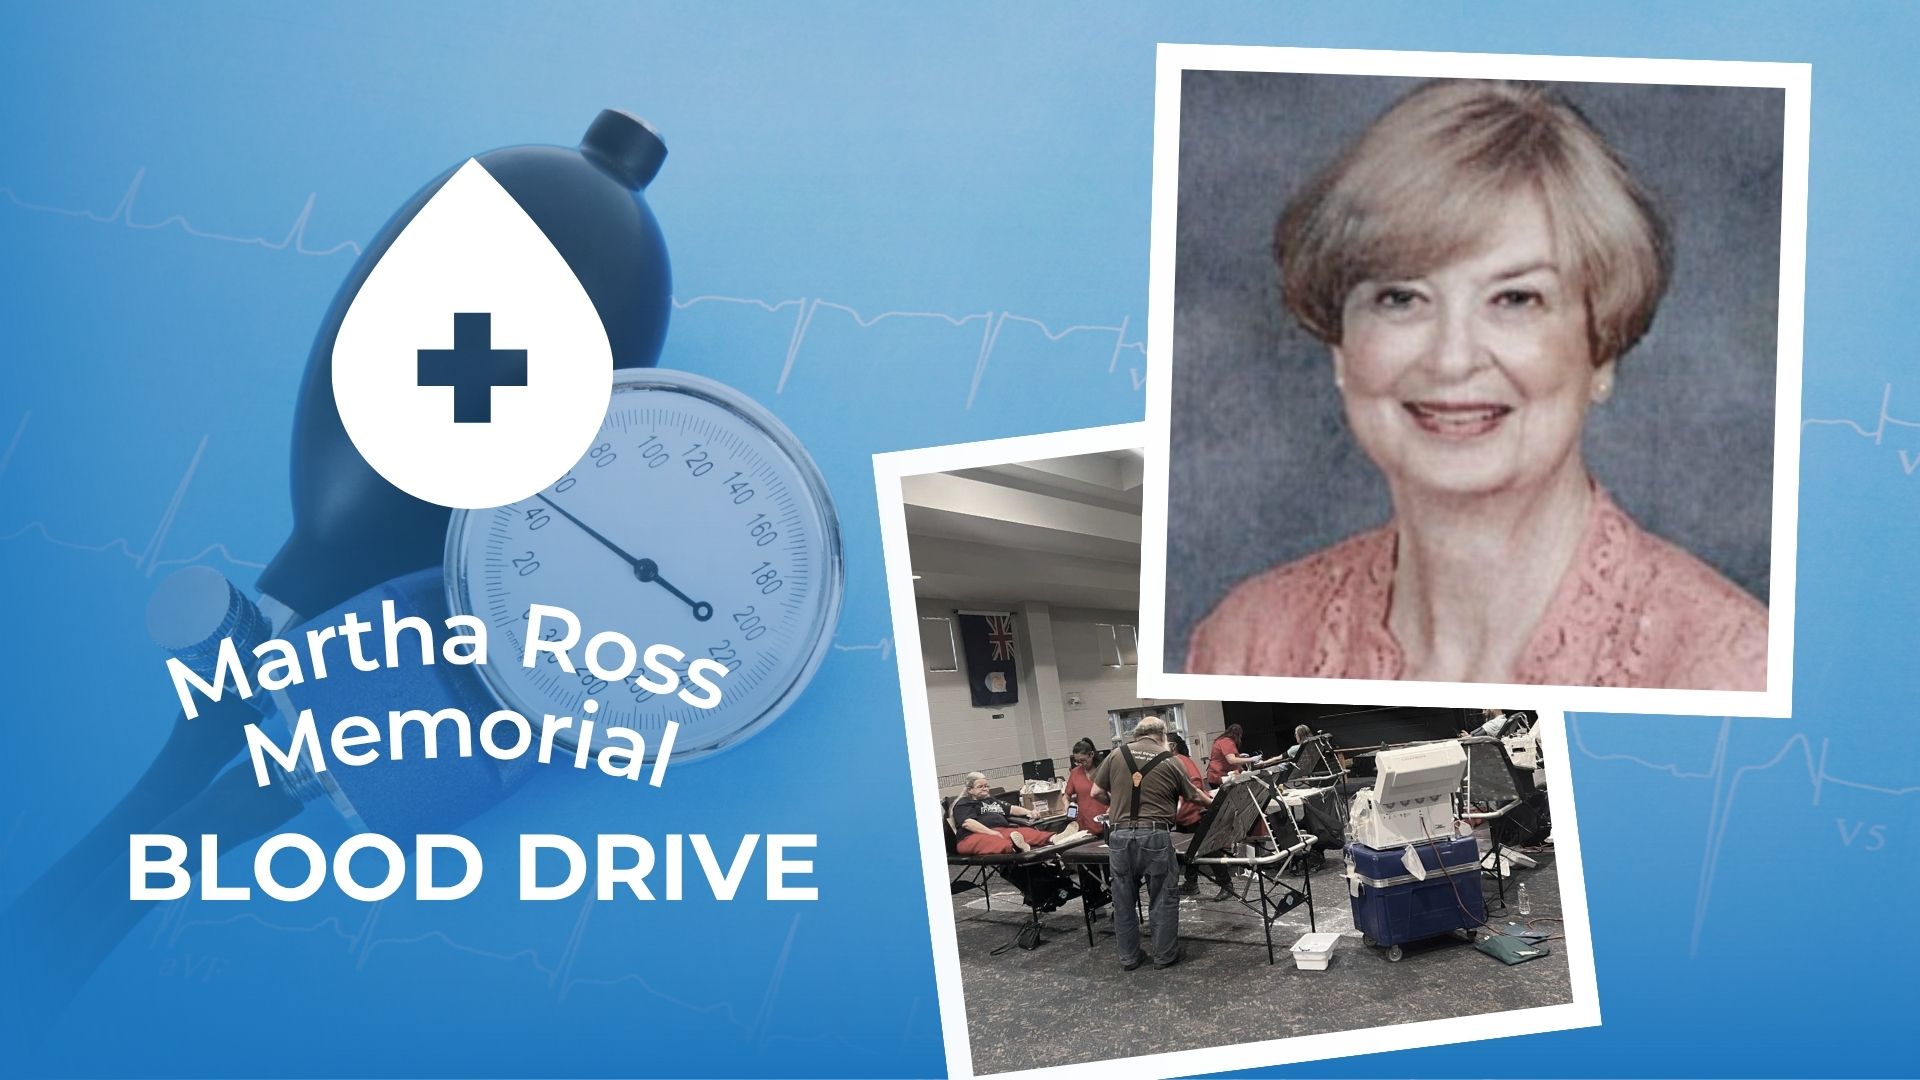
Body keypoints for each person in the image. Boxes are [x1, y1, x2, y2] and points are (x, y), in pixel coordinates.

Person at [1186, 79, 1767, 691]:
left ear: (1602, 349)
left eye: (1515, 298)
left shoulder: (1724, 669)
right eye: (1401, 297)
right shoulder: (1249, 644)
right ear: (1341, 348)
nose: (1451, 359)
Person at [1090, 716, 1213, 970]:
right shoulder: (1171, 760)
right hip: (1155, 836)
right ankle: (1164, 956)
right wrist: (1216, 804)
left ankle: (1129, 958)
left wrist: (1118, 804)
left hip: (1119, 837)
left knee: (1123, 899)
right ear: (1163, 735)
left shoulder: (1115, 755)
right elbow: (1193, 796)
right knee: (1162, 897)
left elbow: (1096, 793)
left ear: (1136, 735)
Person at [1171, 734, 1235, 900]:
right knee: (1189, 851)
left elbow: (1195, 785)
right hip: (1185, 814)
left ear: (1172, 746)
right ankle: (1191, 883)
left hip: (1193, 811)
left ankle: (1226, 884)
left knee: (1209, 850)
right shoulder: (1178, 760)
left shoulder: (1180, 760)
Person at [950, 773, 1054, 855]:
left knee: (1026, 832)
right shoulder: (963, 803)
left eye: (986, 786)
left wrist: (1029, 812)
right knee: (996, 842)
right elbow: (968, 823)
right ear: (970, 790)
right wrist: (991, 833)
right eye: (980, 786)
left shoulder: (990, 800)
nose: (985, 788)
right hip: (971, 837)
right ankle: (1015, 847)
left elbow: (1011, 808)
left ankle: (1054, 838)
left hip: (1000, 831)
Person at [1061, 737, 1109, 837]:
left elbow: (1116, 795)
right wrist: (1067, 805)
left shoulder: (1103, 770)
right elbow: (1066, 796)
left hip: (1105, 821)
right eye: (1077, 761)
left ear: (1091, 754)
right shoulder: (1075, 773)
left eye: (1083, 760)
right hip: (1085, 825)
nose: (1081, 764)